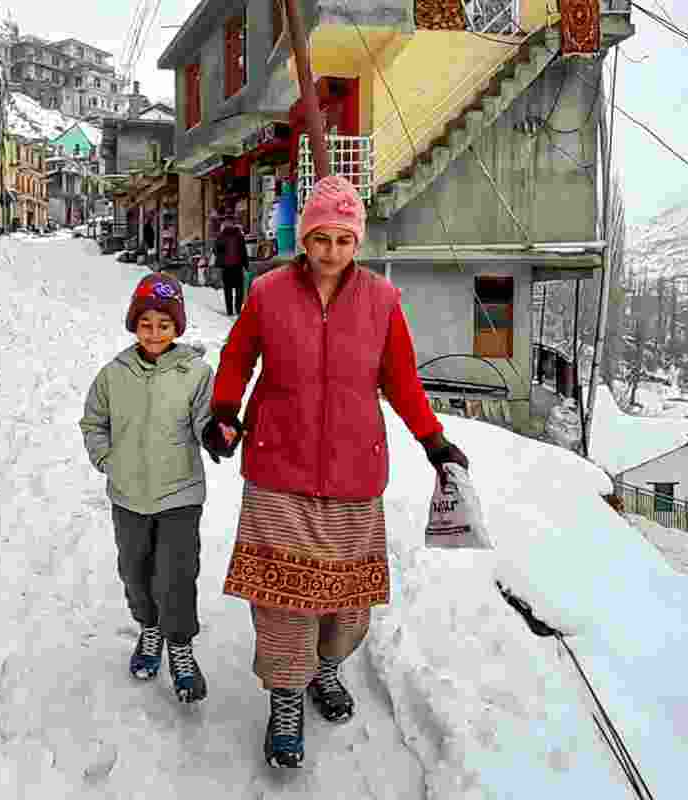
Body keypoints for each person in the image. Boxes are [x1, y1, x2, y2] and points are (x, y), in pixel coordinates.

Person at [200, 175, 470, 768]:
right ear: (304, 239)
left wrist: (433, 440)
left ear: (357, 242)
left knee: (347, 603)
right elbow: (237, 357)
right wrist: (224, 410)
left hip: (353, 473)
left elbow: (401, 380)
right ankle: (286, 697)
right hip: (277, 468)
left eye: (343, 240)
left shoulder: (382, 302)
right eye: (320, 238)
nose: (331, 251)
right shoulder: (268, 292)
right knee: (281, 600)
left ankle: (326, 668)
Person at [80, 273, 215, 705]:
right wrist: (107, 460)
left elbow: (205, 422)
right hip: (128, 496)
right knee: (135, 572)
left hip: (180, 496)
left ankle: (180, 645)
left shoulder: (195, 374)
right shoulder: (113, 374)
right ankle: (150, 629)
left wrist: (219, 433)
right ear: (134, 325)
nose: (155, 333)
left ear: (178, 328)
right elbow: (93, 423)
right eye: (146, 324)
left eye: (164, 324)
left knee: (176, 575)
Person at [214, 218, 250, 316]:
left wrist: (220, 259)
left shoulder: (221, 236)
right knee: (239, 289)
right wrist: (246, 265)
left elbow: (216, 250)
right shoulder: (239, 236)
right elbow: (243, 251)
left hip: (226, 267)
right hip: (237, 266)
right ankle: (238, 309)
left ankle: (229, 310)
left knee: (228, 289)